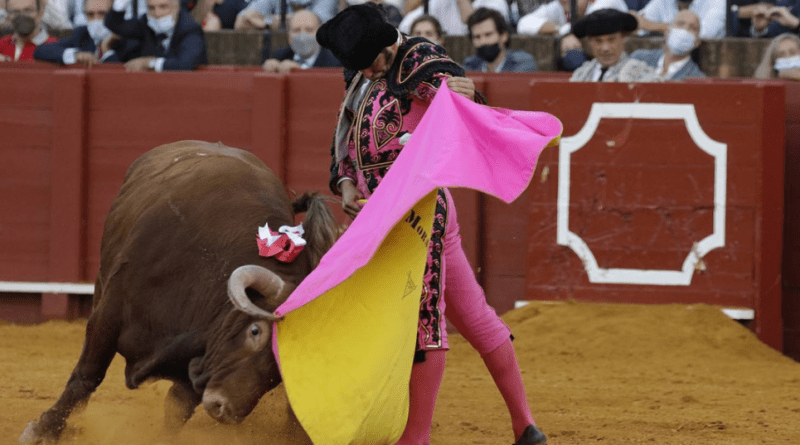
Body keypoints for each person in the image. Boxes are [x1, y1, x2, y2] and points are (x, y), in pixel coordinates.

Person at [315, 4, 548, 445]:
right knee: (475, 318)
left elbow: (465, 113)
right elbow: (345, 139)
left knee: (426, 320)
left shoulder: (422, 61)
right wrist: (346, 185)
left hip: (421, 215)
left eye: (375, 63)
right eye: (361, 68)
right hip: (381, 219)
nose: (369, 74)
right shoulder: (362, 73)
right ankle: (526, 426)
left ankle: (415, 438)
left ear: (389, 44)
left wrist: (465, 97)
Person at [515, 0, 628, 71]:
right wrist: (560, 30)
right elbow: (523, 24)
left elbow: (592, 25)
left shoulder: (606, 2)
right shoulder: (560, 5)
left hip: (622, 61)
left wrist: (565, 33)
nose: (565, 1)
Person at [105, 0, 207, 71]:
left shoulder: (190, 29)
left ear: (176, 7)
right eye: (151, 8)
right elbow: (115, 25)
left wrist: (150, 63)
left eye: (163, 7)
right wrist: (120, 4)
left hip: (185, 89)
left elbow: (185, 64)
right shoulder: (146, 24)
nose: (157, 13)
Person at [570, 8, 658, 82]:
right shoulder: (582, 74)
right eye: (598, 41)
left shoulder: (640, 73)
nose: (605, 48)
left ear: (623, 38)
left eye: (611, 40)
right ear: (590, 41)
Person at [34, 0, 124, 65]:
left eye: (102, 14)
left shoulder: (128, 38)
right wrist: (75, 55)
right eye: (90, 15)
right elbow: (41, 51)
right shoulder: (82, 34)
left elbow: (120, 79)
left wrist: (106, 50)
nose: (96, 20)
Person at [630, 9, 705, 80]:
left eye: (692, 28)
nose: (685, 30)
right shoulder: (639, 58)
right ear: (667, 32)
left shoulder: (697, 79)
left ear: (697, 42)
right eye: (680, 24)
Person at [261, 10, 340, 72]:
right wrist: (269, 68)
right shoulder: (279, 56)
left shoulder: (336, 62)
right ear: (289, 35)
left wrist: (300, 71)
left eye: (309, 30)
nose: (302, 35)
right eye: (296, 30)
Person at [463, 7, 538, 72]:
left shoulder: (522, 63)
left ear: (503, 36)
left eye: (488, 35)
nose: (483, 41)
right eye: (477, 37)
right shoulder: (469, 66)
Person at [399, 0, 510, 36]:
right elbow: (405, 26)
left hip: (481, 64)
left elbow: (474, 25)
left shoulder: (496, 3)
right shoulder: (439, 2)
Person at [631, 0, 725, 39]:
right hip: (663, 58)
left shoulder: (717, 2)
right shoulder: (662, 1)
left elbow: (703, 32)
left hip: (704, 63)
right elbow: (638, 24)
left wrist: (653, 26)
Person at [233, 0, 336, 31]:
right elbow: (240, 23)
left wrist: (265, 21)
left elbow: (316, 23)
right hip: (277, 55)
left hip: (317, 58)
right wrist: (267, 25)